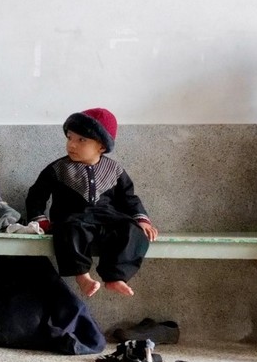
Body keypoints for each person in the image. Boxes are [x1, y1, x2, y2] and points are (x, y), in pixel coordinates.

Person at [25, 108, 158, 298]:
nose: (72, 145)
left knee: (132, 230)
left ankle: (116, 277)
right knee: (68, 229)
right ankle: (82, 276)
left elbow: (129, 198)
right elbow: (37, 194)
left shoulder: (114, 170)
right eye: (69, 137)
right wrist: (39, 219)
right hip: (73, 216)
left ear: (101, 146)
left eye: (81, 140)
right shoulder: (59, 168)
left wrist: (142, 220)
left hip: (108, 219)